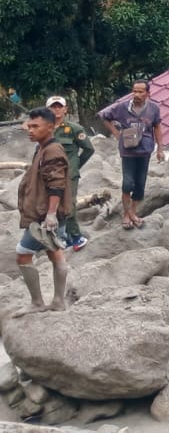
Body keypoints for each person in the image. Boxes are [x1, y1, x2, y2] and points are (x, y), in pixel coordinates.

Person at [16, 107, 71, 311]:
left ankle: (37, 303)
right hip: (46, 212)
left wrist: (50, 215)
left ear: (50, 127)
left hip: (45, 214)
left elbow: (56, 184)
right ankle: (58, 301)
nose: (30, 130)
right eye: (29, 126)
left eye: (35, 126)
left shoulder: (52, 150)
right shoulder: (42, 147)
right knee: (54, 252)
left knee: (22, 254)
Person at [98, 79, 166, 230]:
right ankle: (127, 214)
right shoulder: (122, 108)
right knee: (127, 183)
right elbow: (104, 116)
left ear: (148, 93)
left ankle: (133, 211)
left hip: (145, 150)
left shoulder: (153, 108)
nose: (137, 94)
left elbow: (157, 127)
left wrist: (160, 148)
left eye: (141, 92)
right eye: (135, 91)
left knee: (140, 184)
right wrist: (116, 133)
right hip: (128, 150)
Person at [46, 94, 94, 252]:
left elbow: (88, 149)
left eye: (60, 106)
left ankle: (76, 236)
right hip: (50, 175)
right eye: (53, 107)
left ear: (66, 109)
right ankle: (62, 236)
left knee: (69, 204)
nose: (57, 109)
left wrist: (75, 165)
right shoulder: (45, 129)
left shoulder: (74, 129)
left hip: (69, 175)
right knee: (54, 205)